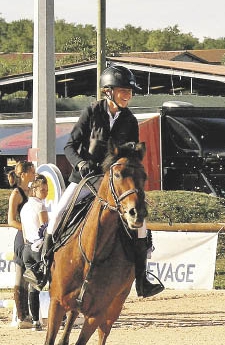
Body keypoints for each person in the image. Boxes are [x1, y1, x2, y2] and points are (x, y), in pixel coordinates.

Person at [36, 65, 163, 298]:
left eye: (130, 92)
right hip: (85, 177)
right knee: (57, 215)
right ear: (108, 91)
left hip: (114, 182)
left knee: (140, 223)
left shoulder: (130, 120)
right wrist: (80, 163)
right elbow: (69, 146)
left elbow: (130, 154)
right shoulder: (91, 112)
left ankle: (142, 279)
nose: (128, 95)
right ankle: (42, 268)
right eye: (123, 91)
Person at [7, 161, 36, 329]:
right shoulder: (16, 193)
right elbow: (11, 220)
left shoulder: (32, 190)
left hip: (33, 238)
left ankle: (30, 314)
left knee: (31, 276)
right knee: (20, 275)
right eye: (32, 172)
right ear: (23, 174)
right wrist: (26, 228)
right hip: (22, 237)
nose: (34, 174)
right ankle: (21, 316)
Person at [20, 174, 48, 330]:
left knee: (34, 286)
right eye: (43, 190)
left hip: (27, 249)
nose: (45, 192)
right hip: (38, 249)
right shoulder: (40, 206)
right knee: (51, 281)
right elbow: (46, 230)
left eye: (47, 189)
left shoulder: (25, 207)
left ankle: (36, 320)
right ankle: (62, 316)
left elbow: (24, 233)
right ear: (35, 190)